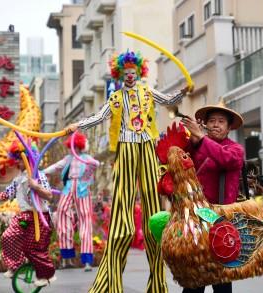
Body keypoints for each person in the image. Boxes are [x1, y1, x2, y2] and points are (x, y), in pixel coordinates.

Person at [65, 50, 189, 292]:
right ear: (120, 75)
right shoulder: (116, 98)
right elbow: (98, 117)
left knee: (154, 207)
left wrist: (183, 92)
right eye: (126, 74)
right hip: (127, 148)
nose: (130, 77)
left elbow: (168, 101)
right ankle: (110, 283)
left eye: (133, 73)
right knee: (122, 211)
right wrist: (76, 125)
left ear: (139, 73)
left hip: (146, 145)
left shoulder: (147, 91)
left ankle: (157, 283)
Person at [182, 99, 245, 293]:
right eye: (212, 121)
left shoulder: (236, 149)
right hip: (197, 217)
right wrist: (191, 144)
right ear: (205, 125)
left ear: (228, 128)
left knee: (221, 281)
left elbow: (225, 159)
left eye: (221, 121)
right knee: (194, 278)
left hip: (221, 220)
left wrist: (202, 139)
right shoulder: (198, 144)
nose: (215, 125)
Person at [0, 141, 56, 287]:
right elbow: (4, 195)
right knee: (7, 237)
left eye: (19, 159)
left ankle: (44, 276)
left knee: (33, 249)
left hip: (40, 217)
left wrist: (36, 186)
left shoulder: (39, 176)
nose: (16, 162)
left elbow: (49, 196)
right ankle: (15, 266)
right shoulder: (18, 180)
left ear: (28, 158)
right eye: (16, 159)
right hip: (24, 216)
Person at [43, 132, 99, 272]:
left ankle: (87, 260)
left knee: (85, 219)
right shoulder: (68, 159)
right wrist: (42, 172)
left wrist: (89, 165)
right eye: (72, 146)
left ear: (80, 146)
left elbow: (95, 163)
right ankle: (67, 257)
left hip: (82, 188)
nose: (73, 148)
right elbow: (56, 166)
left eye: (75, 146)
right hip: (69, 187)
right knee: (62, 213)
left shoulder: (86, 158)